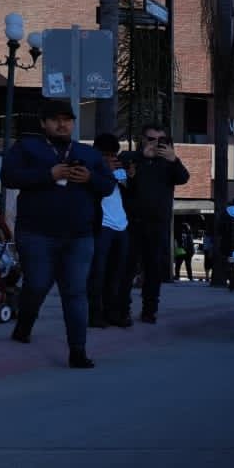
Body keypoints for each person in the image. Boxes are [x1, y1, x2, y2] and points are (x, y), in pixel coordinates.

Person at [2, 103, 115, 368]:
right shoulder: (27, 147)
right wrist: (48, 174)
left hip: (79, 235)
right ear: (43, 123)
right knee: (37, 284)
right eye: (55, 120)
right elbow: (8, 177)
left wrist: (89, 178)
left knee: (75, 291)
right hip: (36, 232)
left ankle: (78, 350)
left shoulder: (88, 153)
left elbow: (108, 185)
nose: (62, 125)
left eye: (67, 120)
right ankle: (24, 325)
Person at [127, 124, 190, 323]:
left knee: (153, 269)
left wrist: (173, 159)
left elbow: (183, 178)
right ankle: (121, 309)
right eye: (151, 139)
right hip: (131, 223)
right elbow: (125, 180)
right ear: (143, 139)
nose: (155, 144)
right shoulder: (132, 158)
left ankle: (149, 310)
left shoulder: (168, 162)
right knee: (126, 268)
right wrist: (143, 158)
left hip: (158, 224)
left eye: (160, 140)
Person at [87, 134, 132, 329]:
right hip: (101, 225)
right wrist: (105, 171)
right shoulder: (91, 169)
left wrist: (128, 176)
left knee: (117, 272)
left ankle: (112, 313)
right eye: (106, 154)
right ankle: (95, 314)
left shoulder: (117, 168)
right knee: (98, 272)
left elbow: (129, 193)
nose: (110, 158)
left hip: (121, 224)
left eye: (114, 154)